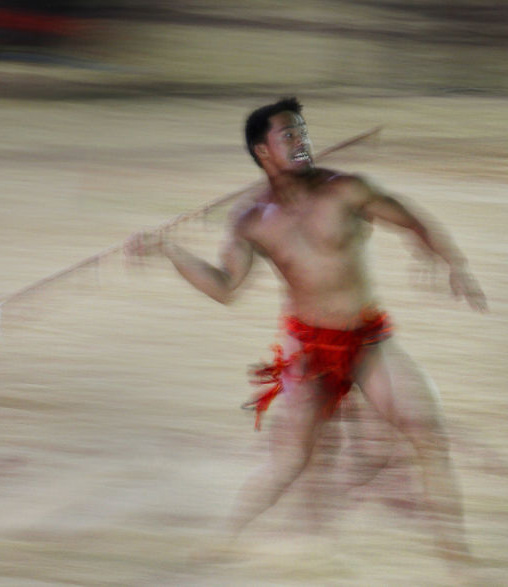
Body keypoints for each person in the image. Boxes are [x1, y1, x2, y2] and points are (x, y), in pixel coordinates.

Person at [124, 97, 487, 572]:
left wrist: (450, 260)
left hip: (367, 340)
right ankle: (223, 543)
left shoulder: (346, 190)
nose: (301, 141)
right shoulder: (251, 218)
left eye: (303, 132)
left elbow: (412, 219)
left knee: (428, 432)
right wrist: (169, 251)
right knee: (291, 461)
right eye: (288, 135)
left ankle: (461, 565)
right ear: (262, 151)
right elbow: (225, 287)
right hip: (310, 349)